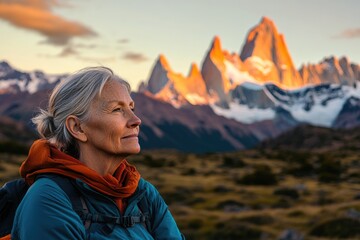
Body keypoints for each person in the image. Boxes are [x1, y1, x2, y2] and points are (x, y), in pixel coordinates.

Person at [10, 67, 184, 239]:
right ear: (77, 128)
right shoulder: (48, 200)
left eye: (132, 108)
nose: (136, 120)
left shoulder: (143, 193)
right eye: (117, 109)